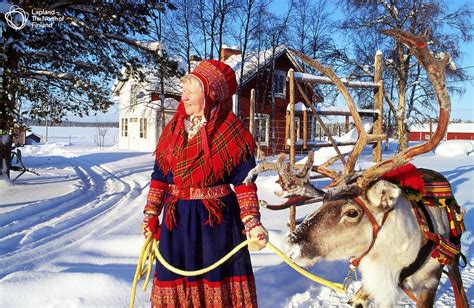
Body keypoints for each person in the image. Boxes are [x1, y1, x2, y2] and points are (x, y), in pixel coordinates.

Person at [141, 60, 269, 307]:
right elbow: (159, 178)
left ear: (210, 94)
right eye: (184, 91)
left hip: (217, 225)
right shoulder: (172, 131)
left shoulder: (233, 133)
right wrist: (150, 215)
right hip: (176, 223)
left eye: (191, 92)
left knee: (216, 281)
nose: (184, 97)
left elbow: (245, 183)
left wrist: (252, 222)